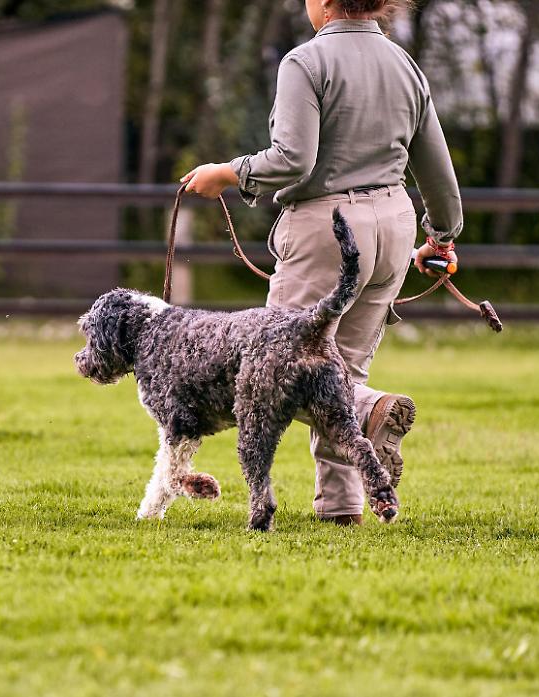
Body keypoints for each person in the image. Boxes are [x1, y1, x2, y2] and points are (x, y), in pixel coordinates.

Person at [179, 0, 463, 526]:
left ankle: (365, 414)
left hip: (325, 227)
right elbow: (438, 172)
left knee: (282, 368)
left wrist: (227, 172)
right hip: (395, 226)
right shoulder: (406, 65)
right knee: (344, 365)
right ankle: (341, 509)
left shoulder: (305, 62)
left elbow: (294, 158)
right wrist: (442, 238)